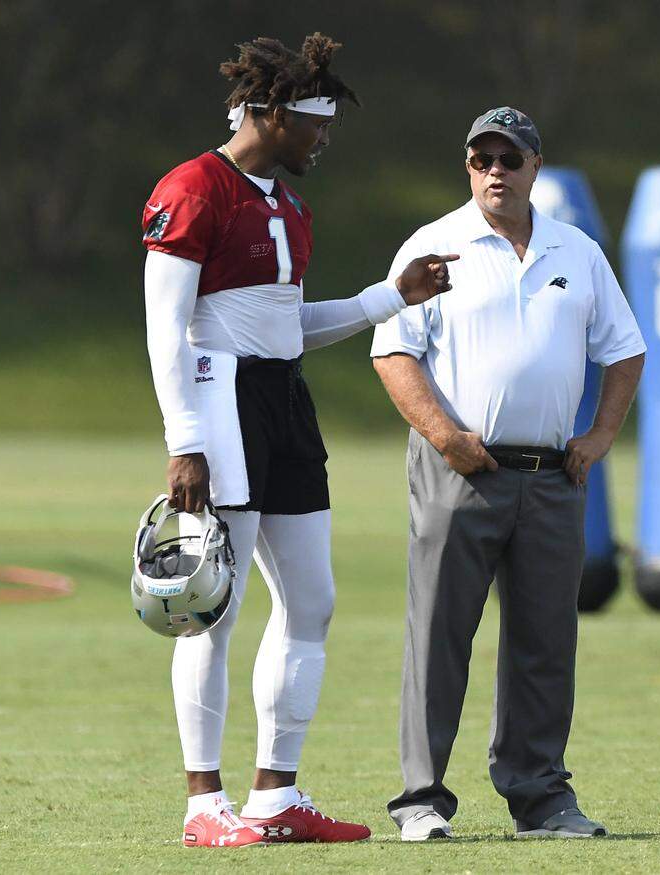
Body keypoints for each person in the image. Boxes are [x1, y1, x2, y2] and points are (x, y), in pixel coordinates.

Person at [142, 34, 457, 848]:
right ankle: (202, 805)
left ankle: (274, 796)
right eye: (316, 123)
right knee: (214, 609)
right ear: (272, 115)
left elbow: (288, 329)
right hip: (222, 403)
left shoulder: (287, 205)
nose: (324, 138)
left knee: (311, 600)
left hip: (284, 399)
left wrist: (391, 297)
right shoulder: (192, 187)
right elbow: (165, 329)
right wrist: (186, 441)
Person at [370, 107, 645, 841]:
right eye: (481, 158)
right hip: (460, 468)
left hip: (553, 474)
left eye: (509, 158)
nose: (495, 170)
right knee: (439, 634)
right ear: (468, 167)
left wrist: (601, 433)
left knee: (546, 641)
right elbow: (394, 352)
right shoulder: (436, 244)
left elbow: (624, 349)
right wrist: (444, 434)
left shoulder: (576, 250)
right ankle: (421, 798)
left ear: (535, 167)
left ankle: (542, 797)